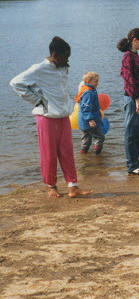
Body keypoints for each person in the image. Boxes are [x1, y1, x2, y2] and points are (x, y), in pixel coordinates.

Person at [9, 36, 93, 198]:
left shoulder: (63, 68)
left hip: (63, 116)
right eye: (65, 57)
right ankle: (51, 187)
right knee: (49, 153)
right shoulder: (39, 69)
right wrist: (36, 100)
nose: (67, 60)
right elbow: (16, 82)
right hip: (46, 117)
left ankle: (73, 186)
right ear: (54, 55)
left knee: (67, 152)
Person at [118, 28, 139, 177]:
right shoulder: (128, 57)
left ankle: (135, 163)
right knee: (131, 132)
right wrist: (137, 100)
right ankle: (132, 166)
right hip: (133, 99)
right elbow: (129, 80)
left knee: (137, 132)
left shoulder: (135, 55)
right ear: (135, 40)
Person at [75, 71, 105, 155]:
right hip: (89, 121)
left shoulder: (84, 88)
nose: (97, 83)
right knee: (100, 137)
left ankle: (83, 154)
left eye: (98, 81)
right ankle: (97, 155)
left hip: (83, 122)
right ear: (88, 81)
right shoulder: (89, 92)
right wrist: (90, 120)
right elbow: (85, 108)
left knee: (86, 139)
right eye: (95, 81)